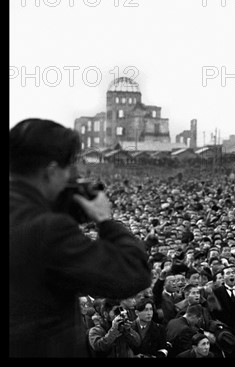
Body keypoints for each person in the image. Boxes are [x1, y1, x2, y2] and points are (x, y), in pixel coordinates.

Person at [9, 118, 151, 357]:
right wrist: (105, 220)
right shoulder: (48, 229)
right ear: (51, 171)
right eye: (70, 169)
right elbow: (132, 273)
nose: (71, 178)